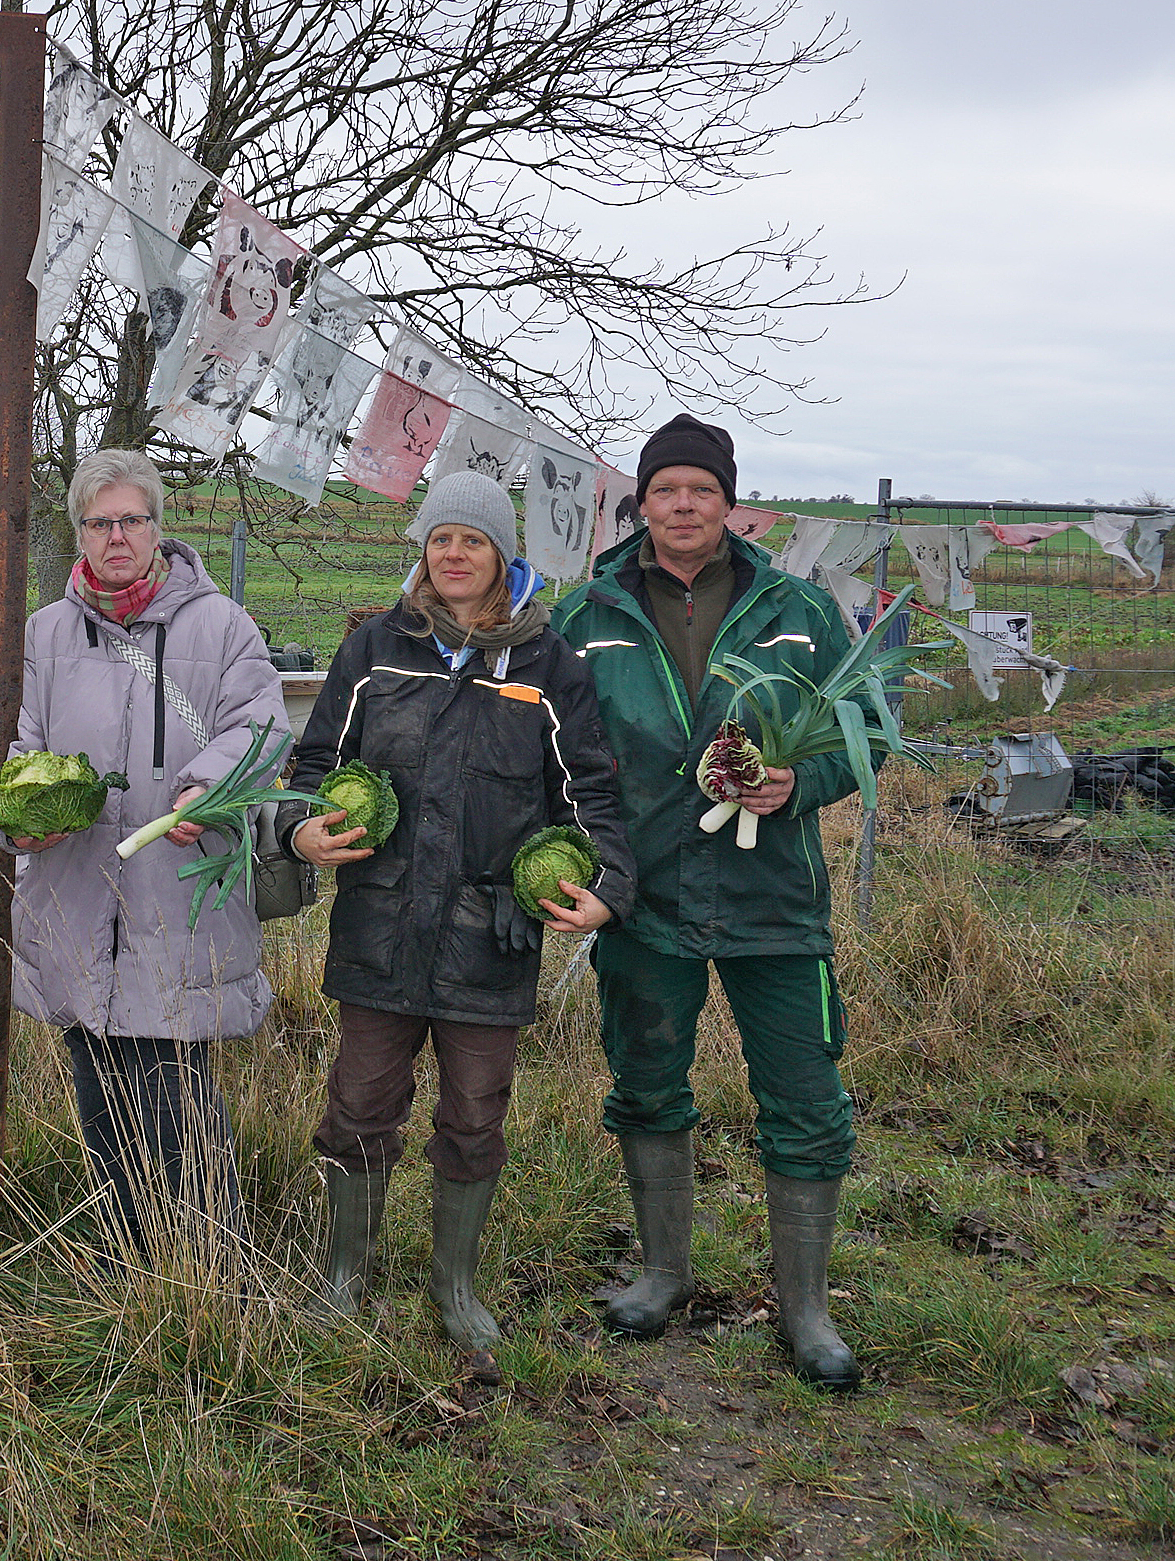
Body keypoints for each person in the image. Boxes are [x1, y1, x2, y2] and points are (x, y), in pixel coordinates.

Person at [550, 415, 869, 1389]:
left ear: (727, 501)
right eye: (665, 489)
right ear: (639, 502)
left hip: (774, 900)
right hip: (640, 898)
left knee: (805, 1098)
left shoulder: (800, 609)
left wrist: (798, 786)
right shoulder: (587, 615)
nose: (682, 505)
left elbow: (868, 728)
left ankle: (806, 1310)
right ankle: (662, 1273)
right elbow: (545, 752)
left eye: (700, 489)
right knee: (644, 1081)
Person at [289, 471, 634, 1356]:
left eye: (471, 540)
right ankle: (346, 1274)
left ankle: (456, 1284)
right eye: (440, 537)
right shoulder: (376, 647)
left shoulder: (549, 666)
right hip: (381, 927)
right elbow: (311, 768)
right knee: (359, 1103)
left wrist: (609, 885)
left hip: (491, 939)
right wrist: (301, 829)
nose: (452, 554)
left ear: (502, 555)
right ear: (424, 549)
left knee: (475, 1114)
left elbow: (589, 793)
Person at [0, 448, 290, 1263]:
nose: (115, 535)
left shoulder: (221, 626)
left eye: (130, 519)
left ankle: (214, 1272)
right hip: (76, 902)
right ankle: (128, 1261)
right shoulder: (47, 632)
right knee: (98, 1096)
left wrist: (210, 786)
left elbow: (261, 730)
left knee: (175, 1098)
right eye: (98, 522)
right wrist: (22, 823)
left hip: (175, 903)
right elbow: (25, 747)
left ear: (158, 527)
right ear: (79, 532)